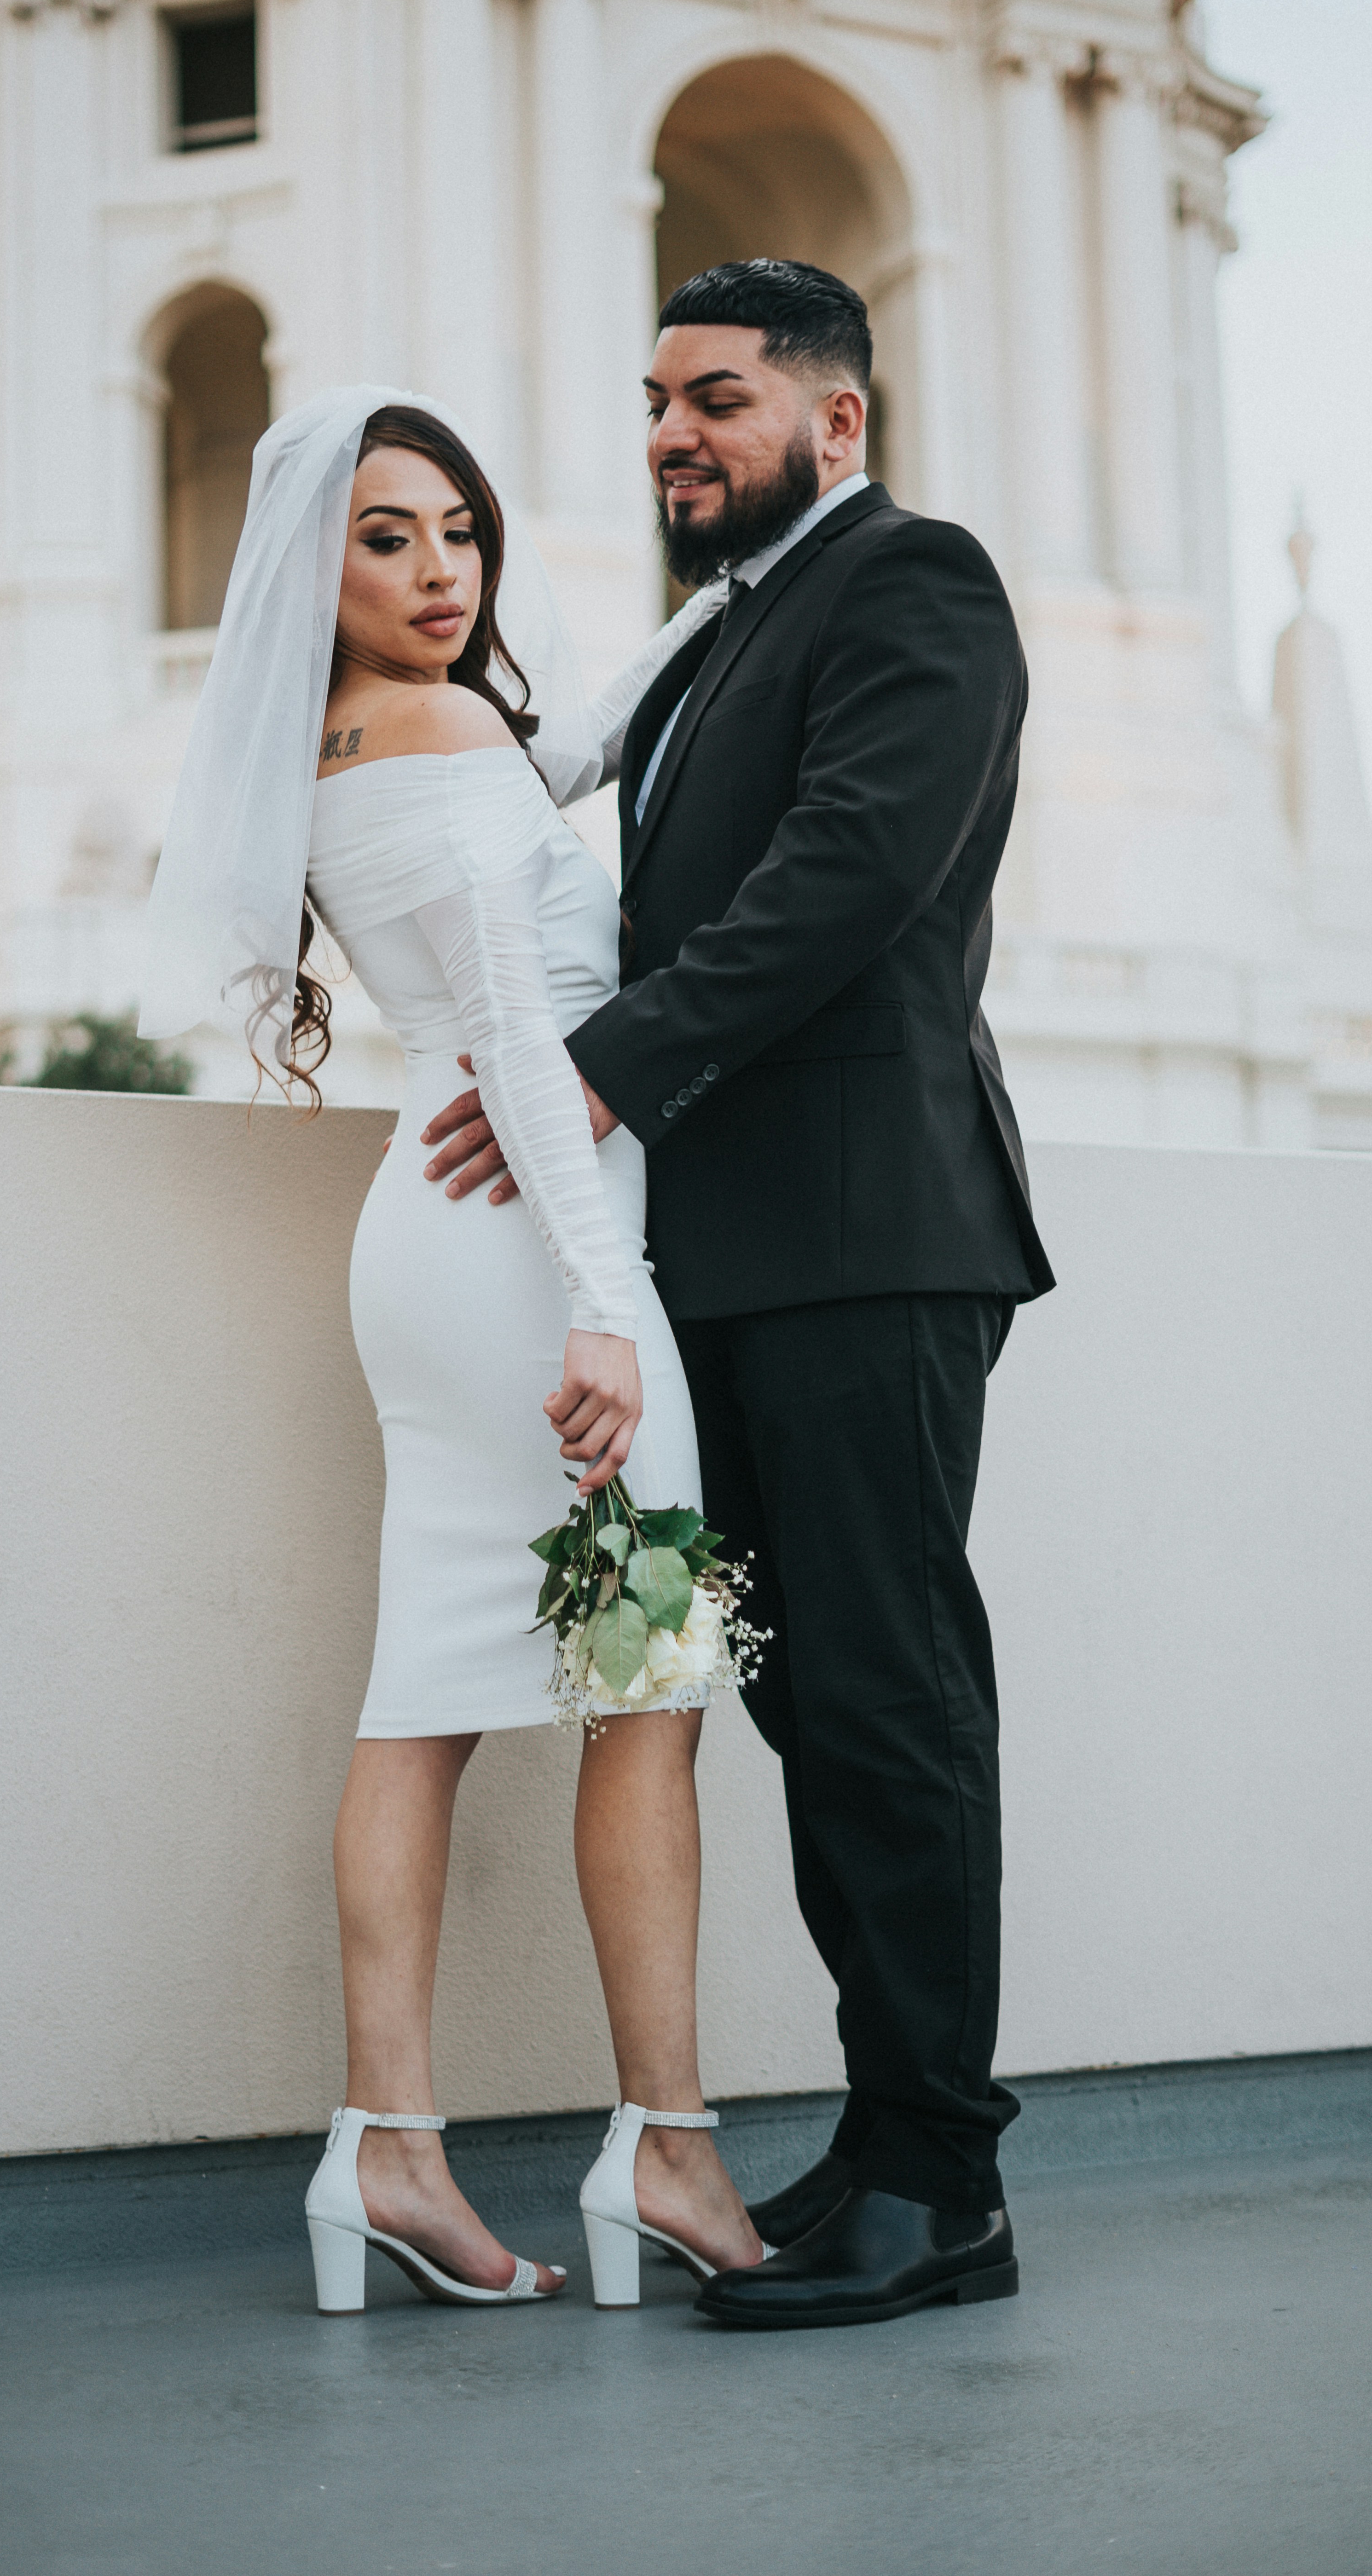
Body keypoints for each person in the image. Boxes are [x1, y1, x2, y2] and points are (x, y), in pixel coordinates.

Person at [421, 260, 1055, 2330]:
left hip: (873, 1236)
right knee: (795, 1703)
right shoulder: (719, 642)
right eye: (656, 402)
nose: (673, 433)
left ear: (835, 421)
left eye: (717, 398)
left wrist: (593, 1076)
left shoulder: (915, 586)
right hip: (732, 1260)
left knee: (884, 1698)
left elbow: (852, 871)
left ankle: (948, 2186)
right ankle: (884, 2136)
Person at [139, 389, 765, 2314]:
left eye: (460, 535)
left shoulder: (372, 736)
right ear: (310, 567)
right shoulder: (423, 723)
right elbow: (514, 1028)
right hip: (528, 1258)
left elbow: (560, 752)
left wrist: (727, 588)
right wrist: (600, 1305)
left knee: (424, 1693)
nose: (437, 573)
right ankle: (661, 2148)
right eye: (388, 537)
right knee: (645, 1687)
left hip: (442, 1239)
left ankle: (384, 2154)